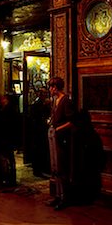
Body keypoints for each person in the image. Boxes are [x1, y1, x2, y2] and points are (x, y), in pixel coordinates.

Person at [47, 76, 75, 211]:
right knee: (55, 167)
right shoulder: (55, 101)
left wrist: (58, 129)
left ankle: (65, 197)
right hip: (54, 136)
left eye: (51, 87)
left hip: (61, 138)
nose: (50, 90)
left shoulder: (66, 101)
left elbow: (71, 121)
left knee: (62, 167)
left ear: (56, 87)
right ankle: (58, 195)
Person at [0, 94, 19, 186]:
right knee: (9, 158)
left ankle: (9, 178)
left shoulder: (7, 111)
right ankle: (10, 177)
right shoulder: (10, 110)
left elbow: (4, 124)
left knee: (7, 158)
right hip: (8, 137)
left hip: (6, 137)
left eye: (3, 98)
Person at [30, 87, 51, 177]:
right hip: (38, 131)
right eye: (43, 93)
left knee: (43, 150)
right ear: (39, 94)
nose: (45, 95)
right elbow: (34, 118)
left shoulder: (44, 103)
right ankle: (38, 170)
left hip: (43, 130)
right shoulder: (36, 104)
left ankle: (43, 168)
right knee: (38, 150)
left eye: (46, 93)